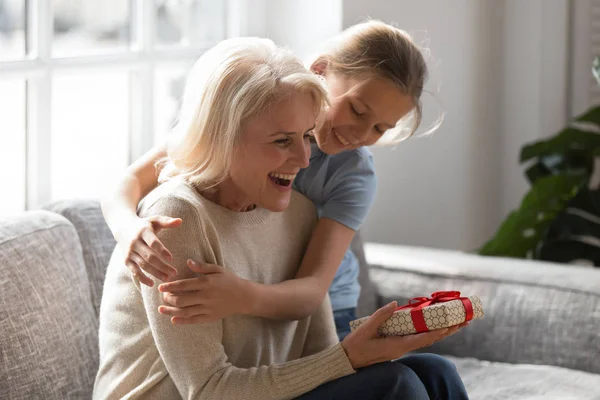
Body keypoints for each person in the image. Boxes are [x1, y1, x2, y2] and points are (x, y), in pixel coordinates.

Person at [94, 37, 468, 400]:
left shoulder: (302, 210)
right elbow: (208, 390)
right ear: (223, 135)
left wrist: (351, 356)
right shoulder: (175, 220)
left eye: (306, 136)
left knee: (436, 373)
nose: (306, 160)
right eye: (281, 141)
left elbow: (317, 352)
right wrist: (128, 228)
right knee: (396, 386)